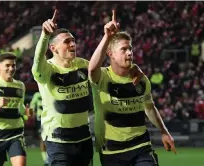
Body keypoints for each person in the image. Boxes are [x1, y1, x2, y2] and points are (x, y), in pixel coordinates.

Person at [32, 9, 145, 166]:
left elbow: (109, 73)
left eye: (73, 40)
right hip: (58, 141)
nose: (73, 44)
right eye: (66, 42)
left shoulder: (83, 65)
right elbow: (37, 62)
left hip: (84, 139)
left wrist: (132, 68)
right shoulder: (47, 70)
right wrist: (44, 35)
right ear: (53, 48)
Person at [88, 10, 176, 166]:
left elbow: (149, 107)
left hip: (141, 145)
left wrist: (164, 132)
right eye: (123, 49)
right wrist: (107, 37)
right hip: (111, 150)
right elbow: (92, 69)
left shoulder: (141, 79)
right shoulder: (103, 77)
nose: (129, 53)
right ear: (111, 54)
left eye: (130, 49)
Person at [29, 92, 48, 165]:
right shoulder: (37, 95)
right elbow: (32, 106)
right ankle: (45, 159)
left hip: (52, 119)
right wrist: (32, 112)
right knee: (43, 139)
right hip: (40, 120)